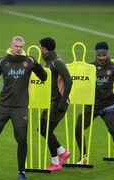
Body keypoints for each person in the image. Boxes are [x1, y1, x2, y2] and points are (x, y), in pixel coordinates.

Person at [0, 36, 47, 180]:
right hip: (3, 106)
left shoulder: (29, 61)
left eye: (20, 46)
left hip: (20, 107)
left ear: (23, 47)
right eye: (16, 46)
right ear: (11, 46)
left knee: (21, 139)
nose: (18, 48)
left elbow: (43, 77)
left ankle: (21, 171)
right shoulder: (2, 61)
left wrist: (38, 67)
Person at [75, 41, 114, 164]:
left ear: (107, 54)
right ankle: (83, 156)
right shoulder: (90, 68)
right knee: (78, 128)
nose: (102, 58)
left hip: (108, 106)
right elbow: (82, 85)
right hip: (91, 106)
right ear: (96, 54)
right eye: (99, 55)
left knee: (113, 130)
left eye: (104, 55)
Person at [39, 37, 73, 172]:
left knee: (46, 130)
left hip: (58, 103)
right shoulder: (49, 62)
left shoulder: (56, 62)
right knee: (43, 129)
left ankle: (56, 161)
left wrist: (63, 101)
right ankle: (62, 153)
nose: (40, 50)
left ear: (45, 48)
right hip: (51, 103)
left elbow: (69, 81)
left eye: (41, 47)